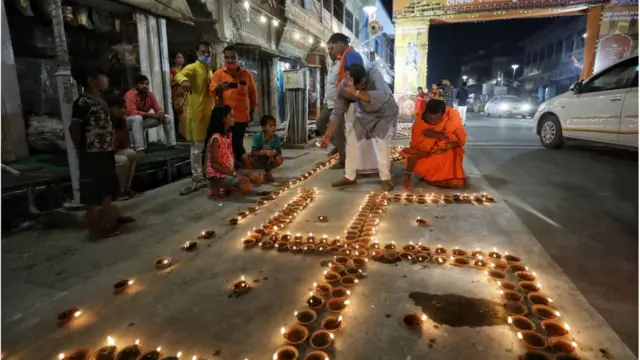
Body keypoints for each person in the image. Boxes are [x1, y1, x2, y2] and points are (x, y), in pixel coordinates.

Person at [69, 65, 134, 239]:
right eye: (102, 76)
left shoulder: (100, 99)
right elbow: (75, 128)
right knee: (92, 190)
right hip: (91, 152)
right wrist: (81, 148)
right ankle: (96, 227)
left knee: (108, 185)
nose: (106, 80)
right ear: (91, 80)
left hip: (105, 150)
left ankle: (110, 218)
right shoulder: (83, 102)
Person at [319, 64, 399, 191]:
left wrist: (356, 92)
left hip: (384, 113)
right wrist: (328, 135)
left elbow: (383, 96)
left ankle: (385, 178)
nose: (362, 87)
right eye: (359, 86)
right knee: (351, 139)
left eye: (363, 85)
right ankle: (350, 176)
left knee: (382, 143)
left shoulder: (373, 74)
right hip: (364, 114)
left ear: (365, 77)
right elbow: (337, 112)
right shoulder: (343, 86)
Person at [174, 41, 216, 194]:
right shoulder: (192, 67)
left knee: (209, 145)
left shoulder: (209, 69)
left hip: (209, 112)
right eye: (203, 52)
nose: (206, 55)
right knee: (197, 147)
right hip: (197, 113)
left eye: (208, 53)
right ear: (197, 53)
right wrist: (183, 81)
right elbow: (179, 74)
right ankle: (197, 176)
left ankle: (206, 172)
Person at [209, 45, 258, 168]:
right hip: (224, 118)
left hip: (241, 116)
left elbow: (253, 94)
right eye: (227, 57)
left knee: (237, 142)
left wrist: (252, 111)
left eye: (233, 57)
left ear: (238, 57)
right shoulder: (218, 74)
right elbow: (212, 91)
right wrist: (220, 87)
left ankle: (247, 166)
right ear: (224, 58)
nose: (230, 60)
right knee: (226, 143)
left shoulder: (246, 75)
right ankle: (233, 165)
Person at [402, 99, 467, 191]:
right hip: (428, 156)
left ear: (443, 115)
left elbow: (460, 141)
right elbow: (414, 151)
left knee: (452, 145)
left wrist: (437, 134)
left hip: (445, 152)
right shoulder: (419, 125)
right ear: (425, 113)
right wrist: (407, 174)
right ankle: (431, 175)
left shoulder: (452, 118)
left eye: (435, 119)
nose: (431, 121)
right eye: (429, 118)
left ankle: (447, 176)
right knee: (438, 153)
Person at [205, 105, 261, 200]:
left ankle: (229, 187)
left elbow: (229, 156)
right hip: (217, 176)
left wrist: (243, 170)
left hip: (229, 172)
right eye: (231, 116)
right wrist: (235, 174)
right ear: (223, 119)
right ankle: (217, 188)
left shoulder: (228, 135)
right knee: (247, 186)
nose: (234, 118)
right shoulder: (216, 138)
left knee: (258, 176)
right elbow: (214, 164)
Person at [124, 75, 175, 154]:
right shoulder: (130, 94)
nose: (145, 86)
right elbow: (131, 112)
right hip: (128, 121)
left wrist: (160, 113)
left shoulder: (150, 95)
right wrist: (151, 115)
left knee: (167, 118)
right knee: (137, 118)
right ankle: (139, 149)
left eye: (147, 84)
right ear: (135, 86)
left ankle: (171, 145)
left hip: (142, 120)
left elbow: (158, 109)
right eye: (141, 83)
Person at [107, 94, 141, 199]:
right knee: (123, 160)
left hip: (115, 150)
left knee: (131, 154)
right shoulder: (105, 121)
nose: (123, 110)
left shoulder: (121, 121)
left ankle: (127, 188)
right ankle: (119, 191)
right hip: (103, 153)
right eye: (119, 108)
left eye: (124, 108)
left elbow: (123, 144)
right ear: (111, 108)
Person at [315, 48, 345, 167]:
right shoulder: (332, 66)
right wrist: (324, 101)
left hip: (338, 103)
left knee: (339, 132)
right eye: (328, 49)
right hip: (329, 103)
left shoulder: (342, 64)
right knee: (320, 124)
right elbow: (330, 86)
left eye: (332, 48)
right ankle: (337, 145)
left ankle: (343, 160)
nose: (330, 51)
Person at [250, 115, 283, 182]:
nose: (274, 128)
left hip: (268, 159)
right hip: (257, 159)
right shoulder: (258, 136)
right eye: (270, 126)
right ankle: (258, 173)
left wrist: (276, 155)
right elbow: (253, 153)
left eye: (274, 125)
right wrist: (264, 152)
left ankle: (268, 171)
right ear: (264, 128)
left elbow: (279, 152)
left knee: (279, 159)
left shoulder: (275, 137)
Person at [170, 52, 188, 141]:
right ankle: (181, 135)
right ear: (174, 59)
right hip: (177, 96)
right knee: (181, 115)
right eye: (178, 57)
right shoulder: (172, 71)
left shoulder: (186, 70)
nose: (180, 59)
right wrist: (178, 81)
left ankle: (186, 135)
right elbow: (170, 84)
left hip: (186, 95)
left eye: (182, 57)